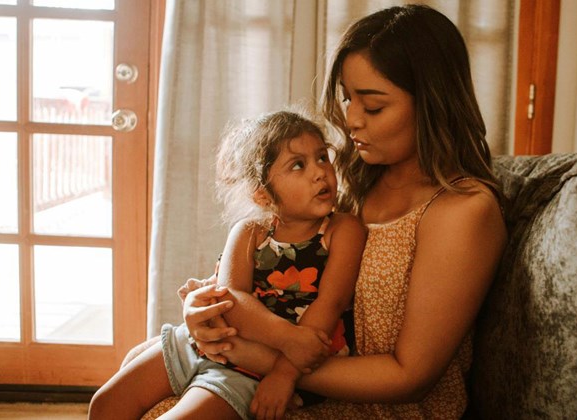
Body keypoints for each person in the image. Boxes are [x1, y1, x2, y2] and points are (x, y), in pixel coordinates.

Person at [180, 4, 508, 419]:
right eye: (347, 99)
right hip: (284, 380)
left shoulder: (463, 212)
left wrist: (262, 360)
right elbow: (276, 281)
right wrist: (207, 311)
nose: (351, 120)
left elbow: (410, 378)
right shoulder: (352, 186)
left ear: (432, 104)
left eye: (372, 107)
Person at [88, 109, 367, 419]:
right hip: (199, 342)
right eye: (298, 165)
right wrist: (288, 338)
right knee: (105, 405)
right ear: (263, 195)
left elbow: (330, 305)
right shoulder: (249, 232)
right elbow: (231, 299)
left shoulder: (343, 230)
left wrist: (284, 374)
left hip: (249, 370)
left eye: (321, 157)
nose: (319, 172)